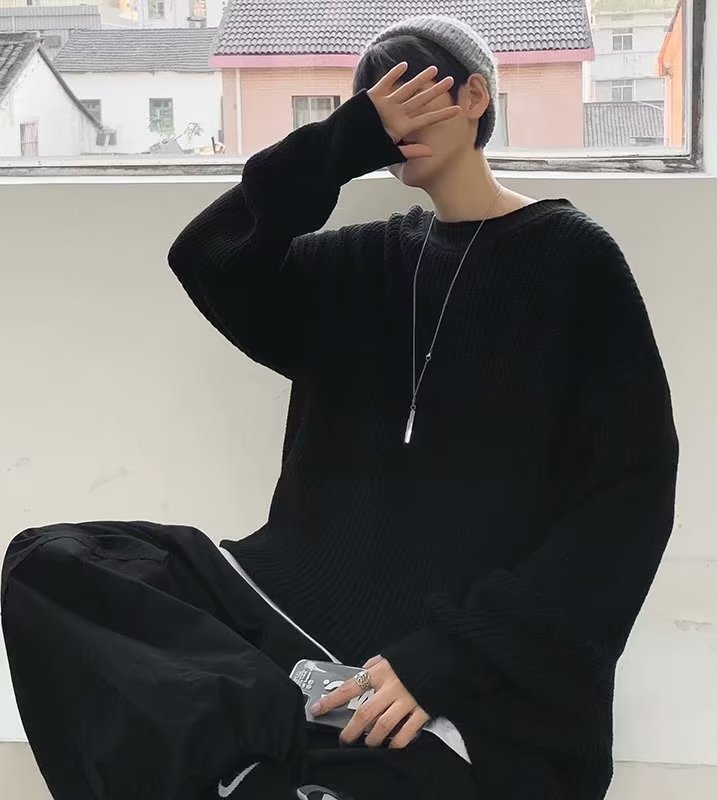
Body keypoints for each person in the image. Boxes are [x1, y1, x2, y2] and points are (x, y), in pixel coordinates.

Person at [1, 15, 679, 800]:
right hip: (287, 606)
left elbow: (628, 502)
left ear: (475, 98)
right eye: (376, 103)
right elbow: (208, 256)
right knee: (50, 566)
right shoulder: (365, 260)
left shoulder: (572, 258)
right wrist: (342, 144)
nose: (396, 117)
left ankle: (270, 760)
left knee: (436, 767)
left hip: (447, 658)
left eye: (415, 88)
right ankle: (282, 743)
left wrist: (448, 659)